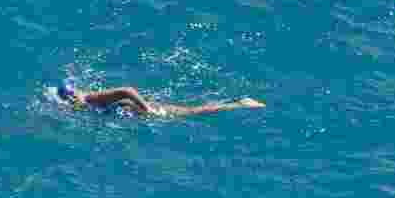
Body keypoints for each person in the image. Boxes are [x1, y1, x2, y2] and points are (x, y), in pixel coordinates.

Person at [56, 82, 265, 118]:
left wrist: (146, 108)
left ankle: (240, 104)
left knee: (192, 112)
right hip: (138, 110)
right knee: (191, 110)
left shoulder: (90, 98)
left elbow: (126, 90)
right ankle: (235, 102)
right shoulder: (83, 102)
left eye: (72, 98)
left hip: (148, 110)